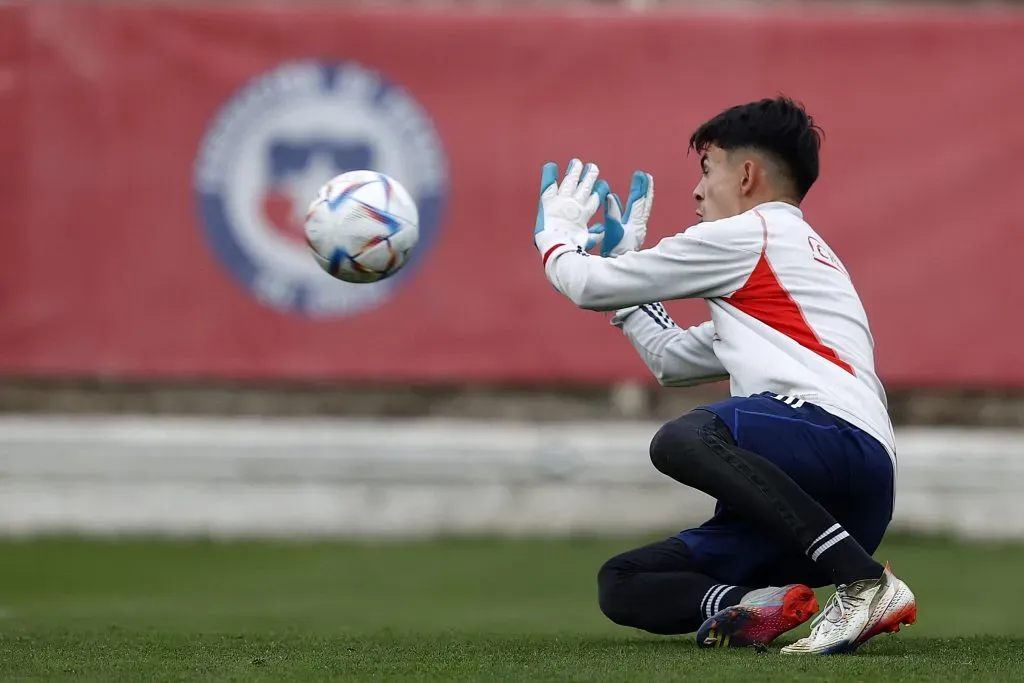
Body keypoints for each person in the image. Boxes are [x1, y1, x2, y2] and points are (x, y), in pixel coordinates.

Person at [531, 97, 916, 654]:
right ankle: (751, 606)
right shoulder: (787, 265)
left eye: (706, 170)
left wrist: (557, 238)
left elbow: (587, 284)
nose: (696, 190)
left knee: (684, 437)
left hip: (833, 445)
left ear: (747, 174)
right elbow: (671, 358)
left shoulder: (753, 233)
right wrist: (628, 282)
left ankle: (865, 583)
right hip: (842, 494)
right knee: (623, 581)